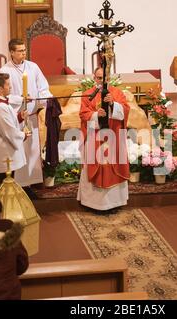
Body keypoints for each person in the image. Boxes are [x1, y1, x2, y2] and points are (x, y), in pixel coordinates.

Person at [0, 39, 52, 199]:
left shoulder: (33, 67)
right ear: (12, 52)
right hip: (16, 118)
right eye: (20, 50)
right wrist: (20, 99)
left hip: (32, 117)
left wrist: (41, 98)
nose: (24, 53)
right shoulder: (5, 70)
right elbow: (2, 94)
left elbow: (44, 88)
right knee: (20, 151)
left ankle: (33, 181)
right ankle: (21, 185)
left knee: (33, 151)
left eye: (24, 50)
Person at [77, 67, 130, 214]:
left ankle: (114, 202)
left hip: (113, 137)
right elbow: (83, 114)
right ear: (94, 78)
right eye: (99, 78)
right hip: (95, 137)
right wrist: (95, 115)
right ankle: (93, 203)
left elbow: (125, 110)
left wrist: (113, 104)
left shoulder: (117, 93)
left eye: (104, 78)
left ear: (109, 79)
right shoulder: (88, 94)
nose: (102, 81)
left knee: (113, 166)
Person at [0, 73, 29, 187]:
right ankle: (4, 205)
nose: (10, 87)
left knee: (7, 184)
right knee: (4, 185)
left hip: (4, 151)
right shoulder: (0, 108)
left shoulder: (1, 103)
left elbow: (6, 124)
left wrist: (19, 117)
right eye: (8, 85)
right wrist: (24, 135)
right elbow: (8, 132)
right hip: (4, 152)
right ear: (0, 89)